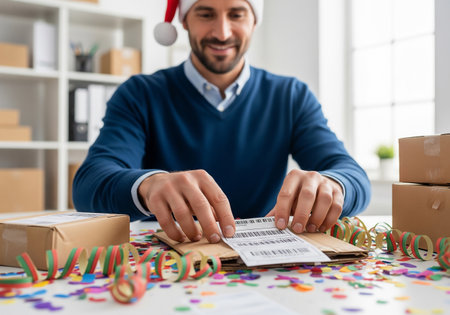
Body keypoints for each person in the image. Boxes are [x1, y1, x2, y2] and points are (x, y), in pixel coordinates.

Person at [73, 0, 371, 244]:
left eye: (236, 14)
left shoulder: (291, 95)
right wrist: (148, 185)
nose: (222, 32)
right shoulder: (140, 94)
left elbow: (352, 175)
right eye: (206, 14)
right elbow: (89, 186)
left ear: (253, 21)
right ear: (184, 20)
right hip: (172, 263)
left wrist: (332, 184)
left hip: (268, 262)